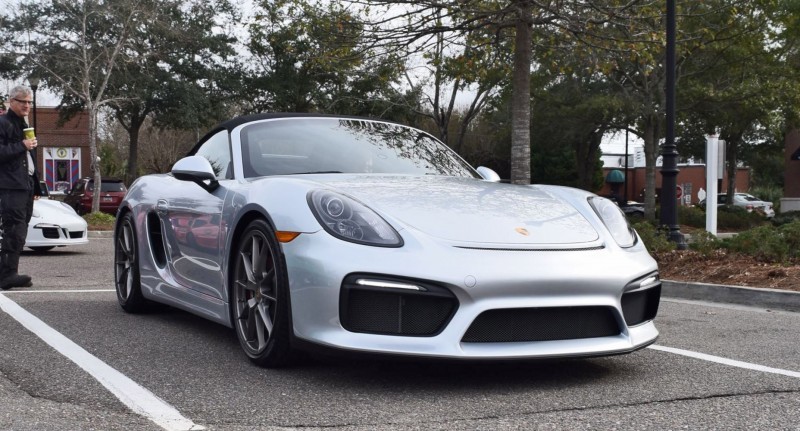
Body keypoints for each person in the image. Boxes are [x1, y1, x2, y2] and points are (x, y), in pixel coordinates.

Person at [0, 85, 43, 290]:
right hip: (10, 186)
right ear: (12, 102)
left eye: (29, 102)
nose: (27, 105)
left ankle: (9, 272)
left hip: (24, 185)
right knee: (14, 229)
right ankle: (7, 275)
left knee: (20, 229)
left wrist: (36, 186)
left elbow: (29, 159)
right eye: (22, 101)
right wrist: (22, 146)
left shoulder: (23, 125)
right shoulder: (3, 123)